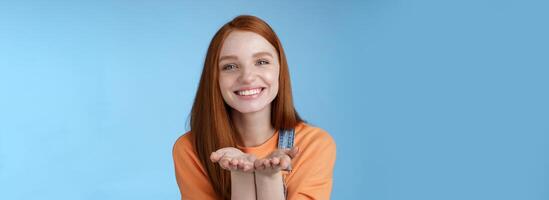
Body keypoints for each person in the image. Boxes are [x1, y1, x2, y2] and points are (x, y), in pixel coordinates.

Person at [172, 15, 336, 200]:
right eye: (230, 66)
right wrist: (242, 176)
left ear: (280, 70)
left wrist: (268, 179)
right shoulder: (190, 149)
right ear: (214, 78)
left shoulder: (314, 145)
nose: (248, 77)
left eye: (261, 62)